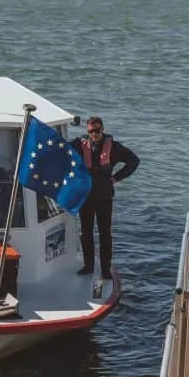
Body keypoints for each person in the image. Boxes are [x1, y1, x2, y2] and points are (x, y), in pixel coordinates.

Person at [72, 116, 139, 279]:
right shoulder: (79, 144)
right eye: (90, 132)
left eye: (96, 131)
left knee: (105, 234)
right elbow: (60, 150)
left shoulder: (114, 147)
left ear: (103, 129)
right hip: (86, 197)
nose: (93, 134)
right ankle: (88, 266)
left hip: (104, 197)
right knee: (85, 232)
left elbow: (134, 161)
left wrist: (116, 177)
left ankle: (105, 269)